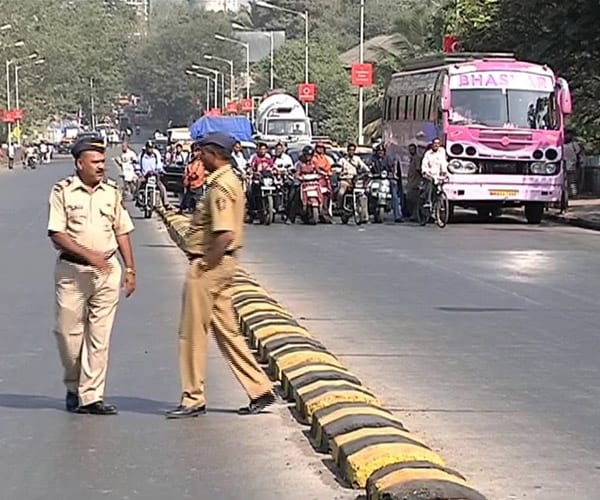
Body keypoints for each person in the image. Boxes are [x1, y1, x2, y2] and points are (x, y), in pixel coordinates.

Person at [166, 132, 274, 419]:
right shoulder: (230, 181)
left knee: (191, 333)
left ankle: (192, 397)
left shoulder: (221, 186)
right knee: (228, 331)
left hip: (209, 265)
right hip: (223, 265)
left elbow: (225, 234)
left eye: (202, 152)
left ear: (214, 153)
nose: (199, 157)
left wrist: (205, 263)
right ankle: (259, 388)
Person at [47, 136, 136, 415]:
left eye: (102, 161)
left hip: (108, 270)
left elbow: (122, 230)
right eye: (95, 162)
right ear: (79, 163)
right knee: (68, 334)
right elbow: (57, 233)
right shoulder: (62, 191)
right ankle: (74, 385)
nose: (101, 166)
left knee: (100, 336)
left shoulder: (111, 191)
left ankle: (91, 396)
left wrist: (130, 268)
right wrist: (89, 256)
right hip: (72, 272)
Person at [369, 144, 403, 222]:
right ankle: (366, 213)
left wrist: (393, 174)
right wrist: (369, 172)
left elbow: (392, 168)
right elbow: (369, 167)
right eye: (379, 151)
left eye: (382, 151)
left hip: (387, 179)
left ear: (384, 152)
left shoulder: (388, 159)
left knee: (394, 194)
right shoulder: (373, 159)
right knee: (367, 191)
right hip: (375, 179)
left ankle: (397, 215)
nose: (380, 153)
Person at [135, 140, 171, 209]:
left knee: (162, 187)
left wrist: (159, 171)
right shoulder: (142, 155)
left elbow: (159, 165)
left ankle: (166, 203)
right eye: (148, 148)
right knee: (138, 182)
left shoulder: (156, 154)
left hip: (154, 175)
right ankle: (137, 198)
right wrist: (138, 172)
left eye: (151, 148)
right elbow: (138, 164)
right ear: (146, 148)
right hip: (145, 175)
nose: (150, 149)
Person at [337, 143, 370, 210]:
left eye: (353, 150)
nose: (351, 151)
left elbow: (364, 167)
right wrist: (340, 172)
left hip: (355, 180)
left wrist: (368, 171)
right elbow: (338, 169)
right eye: (350, 150)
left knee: (365, 191)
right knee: (341, 192)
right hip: (345, 180)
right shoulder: (343, 160)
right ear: (347, 150)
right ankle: (339, 206)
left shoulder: (357, 159)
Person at [420, 138, 449, 206]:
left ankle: (437, 205)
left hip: (438, 175)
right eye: (434, 143)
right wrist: (425, 171)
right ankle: (428, 201)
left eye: (437, 143)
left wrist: (444, 172)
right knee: (430, 182)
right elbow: (424, 164)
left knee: (440, 186)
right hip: (429, 174)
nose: (436, 145)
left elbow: (443, 163)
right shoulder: (428, 154)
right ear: (432, 144)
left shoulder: (441, 153)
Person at [180, 140, 205, 213]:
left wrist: (189, 175)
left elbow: (197, 174)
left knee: (198, 205)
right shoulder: (191, 161)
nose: (194, 153)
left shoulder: (201, 162)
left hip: (197, 185)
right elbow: (187, 170)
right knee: (186, 203)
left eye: (196, 151)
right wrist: (186, 176)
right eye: (193, 151)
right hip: (190, 185)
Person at [405, 144, 423, 219]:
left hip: (416, 182)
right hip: (411, 182)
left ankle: (416, 215)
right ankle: (414, 214)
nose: (411, 151)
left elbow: (419, 169)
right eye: (410, 149)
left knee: (415, 200)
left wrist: (420, 181)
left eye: (412, 149)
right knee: (410, 199)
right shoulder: (411, 158)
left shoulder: (417, 158)